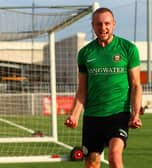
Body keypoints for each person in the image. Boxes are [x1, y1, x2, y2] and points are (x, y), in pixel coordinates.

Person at [65, 7, 142, 168]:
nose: (103, 28)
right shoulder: (85, 53)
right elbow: (82, 90)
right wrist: (74, 115)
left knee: (114, 156)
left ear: (114, 24)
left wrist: (135, 114)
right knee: (92, 163)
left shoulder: (128, 49)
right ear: (93, 25)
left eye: (107, 23)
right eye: (99, 24)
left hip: (118, 114)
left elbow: (135, 85)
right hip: (93, 116)